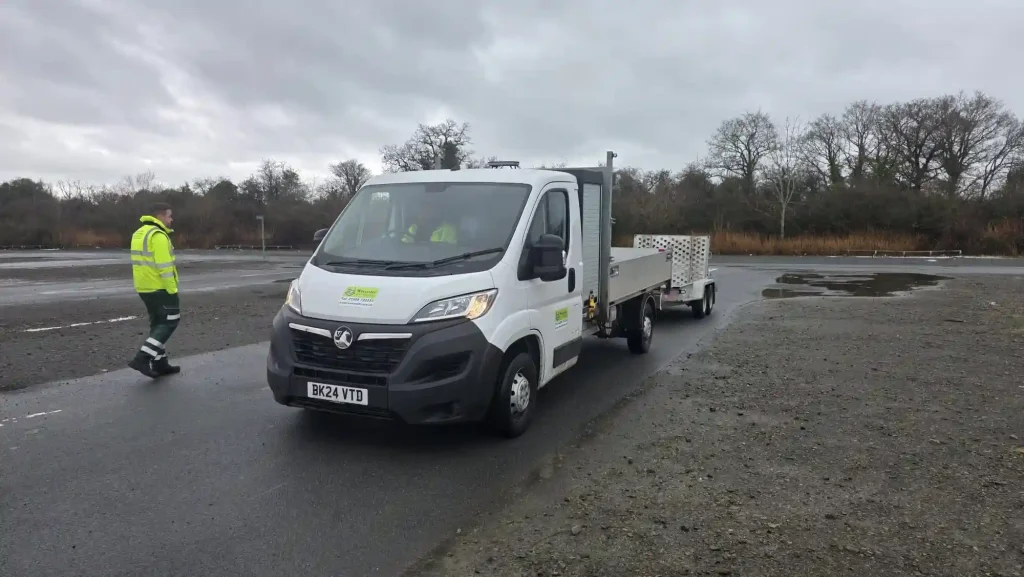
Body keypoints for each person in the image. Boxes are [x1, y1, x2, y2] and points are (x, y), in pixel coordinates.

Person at [127, 202, 182, 378]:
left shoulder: (139, 233)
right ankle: (142, 358)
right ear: (160, 216)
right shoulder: (158, 235)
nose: (171, 220)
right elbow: (164, 267)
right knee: (170, 322)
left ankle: (160, 363)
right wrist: (172, 290)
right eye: (169, 216)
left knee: (158, 324)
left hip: (144, 287)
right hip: (160, 288)